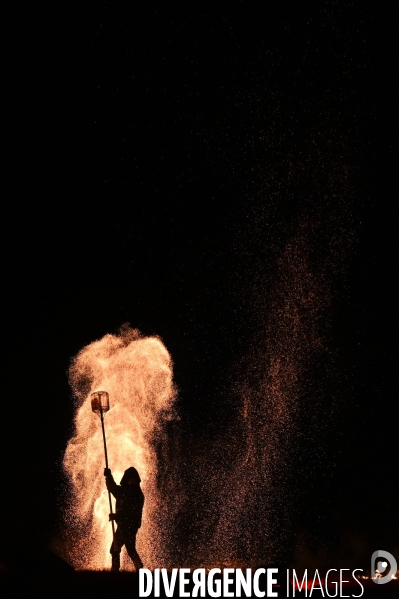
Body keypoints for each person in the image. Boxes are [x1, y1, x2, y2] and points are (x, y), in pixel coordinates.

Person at [104, 466, 144, 571]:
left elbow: (131, 513)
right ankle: (115, 569)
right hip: (123, 525)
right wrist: (109, 475)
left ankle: (139, 568)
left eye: (133, 478)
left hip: (130, 526)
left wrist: (117, 516)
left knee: (129, 549)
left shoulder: (137, 495)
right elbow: (112, 488)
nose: (131, 480)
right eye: (129, 478)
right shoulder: (124, 491)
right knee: (115, 549)